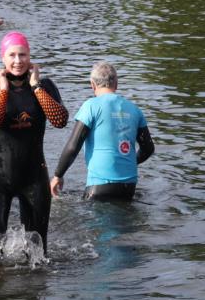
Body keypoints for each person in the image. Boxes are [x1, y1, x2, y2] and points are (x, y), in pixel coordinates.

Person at [0, 32, 68, 264]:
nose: (18, 61)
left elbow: (60, 120)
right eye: (12, 55)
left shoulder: (45, 86)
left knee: (37, 256)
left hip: (34, 177)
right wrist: (4, 89)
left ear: (30, 56)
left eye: (23, 55)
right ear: (3, 58)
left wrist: (36, 86)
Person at [51, 62, 154, 201]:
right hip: (129, 186)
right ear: (116, 84)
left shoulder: (91, 106)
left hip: (100, 184)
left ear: (92, 85)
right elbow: (148, 148)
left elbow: (73, 146)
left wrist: (58, 175)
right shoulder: (135, 109)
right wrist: (129, 161)